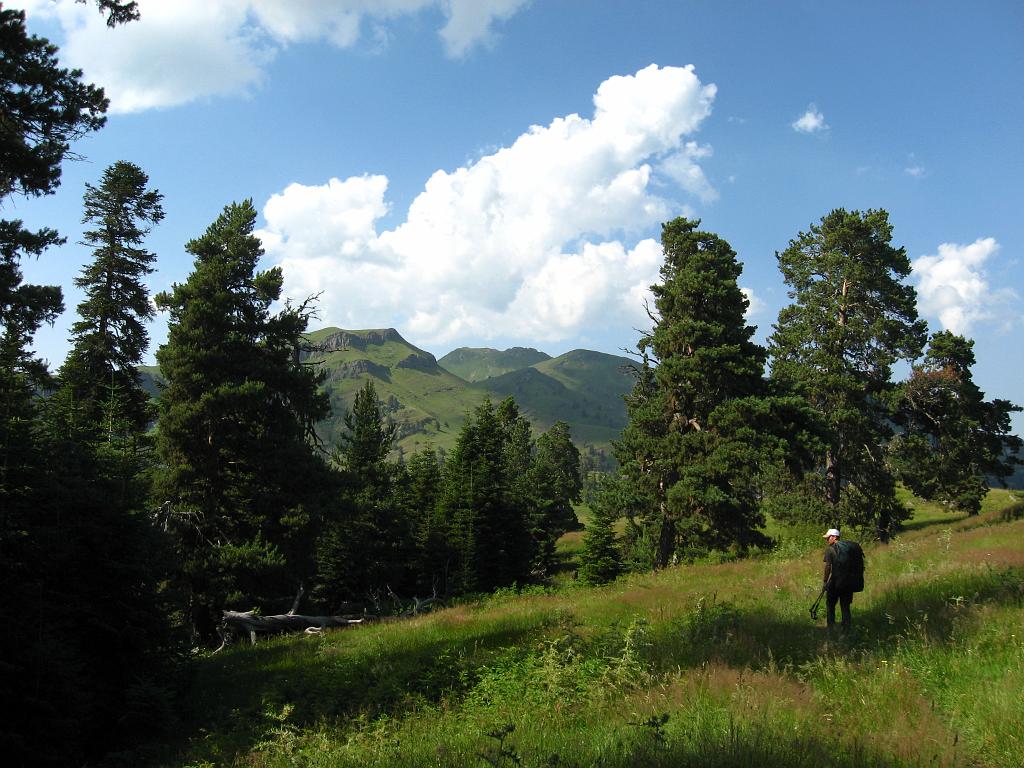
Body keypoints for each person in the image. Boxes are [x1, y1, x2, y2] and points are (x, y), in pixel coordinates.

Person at [822, 528, 853, 634]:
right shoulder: (848, 549)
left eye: (828, 537)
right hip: (848, 582)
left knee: (830, 605)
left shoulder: (830, 550)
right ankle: (846, 630)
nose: (827, 540)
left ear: (834, 537)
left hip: (835, 582)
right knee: (845, 606)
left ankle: (830, 629)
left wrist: (825, 582)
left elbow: (828, 567)